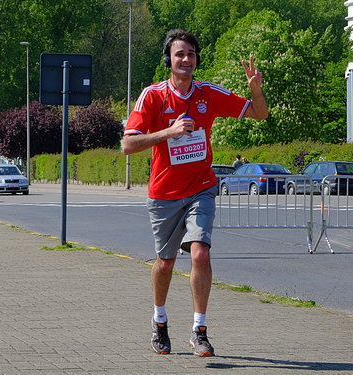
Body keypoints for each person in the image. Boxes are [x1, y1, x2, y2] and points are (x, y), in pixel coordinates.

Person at [121, 29, 268, 357]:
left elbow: (260, 114)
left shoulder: (208, 94)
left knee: (201, 253)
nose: (186, 59)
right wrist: (168, 132)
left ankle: (199, 330)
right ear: (169, 60)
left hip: (201, 188)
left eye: (190, 54)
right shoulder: (153, 96)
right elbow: (128, 145)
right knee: (166, 262)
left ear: (197, 59)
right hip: (164, 194)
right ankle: (159, 320)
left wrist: (256, 92)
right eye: (179, 54)